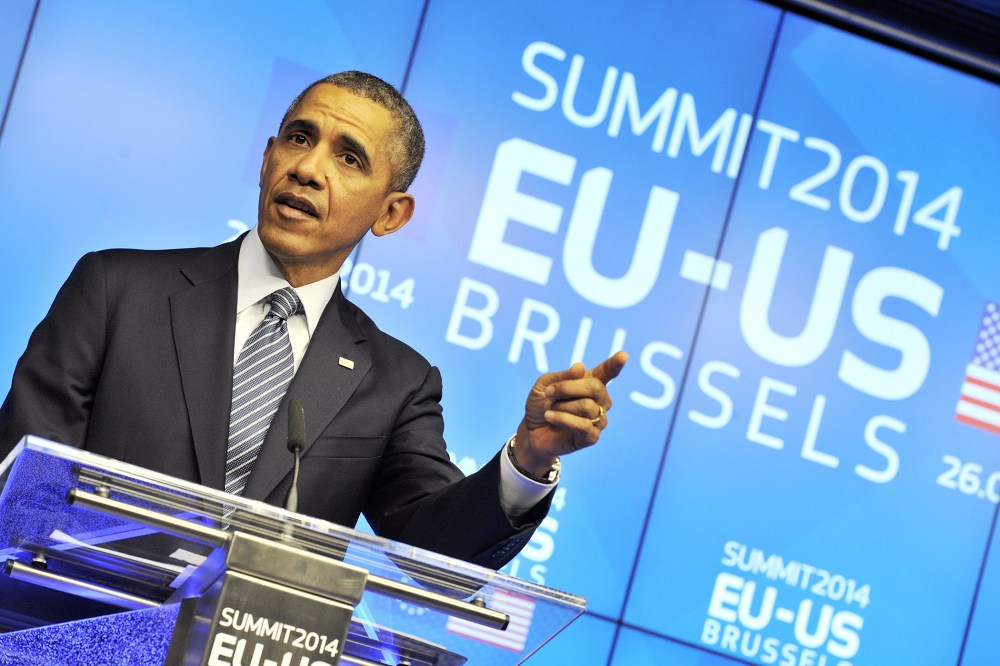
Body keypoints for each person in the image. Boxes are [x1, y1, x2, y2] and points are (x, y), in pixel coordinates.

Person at [0, 71, 627, 569]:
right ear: (270, 155)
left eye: (349, 158)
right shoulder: (118, 289)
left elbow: (434, 548)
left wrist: (528, 459)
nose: (309, 167)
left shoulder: (395, 382)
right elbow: (17, 473)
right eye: (299, 138)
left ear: (391, 214)